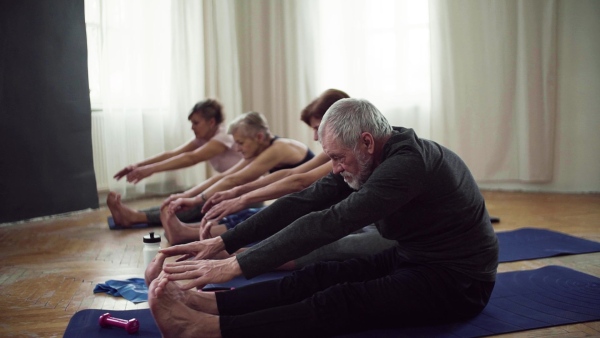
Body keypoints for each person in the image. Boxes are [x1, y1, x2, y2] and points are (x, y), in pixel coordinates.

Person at [146, 98, 499, 337]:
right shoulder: (370, 155)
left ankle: (205, 330)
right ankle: (210, 303)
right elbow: (304, 201)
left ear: (366, 141)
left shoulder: (406, 165)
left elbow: (331, 221)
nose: (334, 167)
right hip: (416, 258)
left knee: (341, 301)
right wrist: (223, 242)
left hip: (458, 283)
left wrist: (235, 265)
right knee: (318, 277)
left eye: (337, 157)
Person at [107, 111, 314, 229]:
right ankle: (141, 217)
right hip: (295, 202)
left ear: (259, 137)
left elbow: (235, 180)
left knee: (234, 211)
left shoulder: (279, 149)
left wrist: (197, 199)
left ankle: (146, 219)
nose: (238, 149)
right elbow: (227, 175)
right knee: (218, 203)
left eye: (241, 143)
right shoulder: (262, 148)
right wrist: (186, 194)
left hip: (311, 205)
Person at [107, 99, 241, 226]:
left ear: (211, 122)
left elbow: (192, 158)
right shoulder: (204, 137)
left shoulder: (224, 137)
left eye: (196, 123)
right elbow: (172, 154)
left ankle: (136, 218)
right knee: (186, 198)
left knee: (199, 202)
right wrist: (138, 166)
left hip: (241, 192)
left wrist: (151, 170)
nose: (192, 128)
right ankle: (136, 214)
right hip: (227, 186)